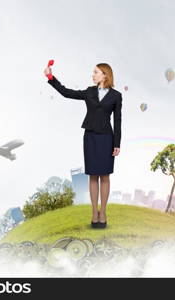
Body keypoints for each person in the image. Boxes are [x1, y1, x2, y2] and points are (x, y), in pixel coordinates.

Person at [44, 63, 122, 229]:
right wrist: (51, 78)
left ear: (105, 75)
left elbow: (118, 121)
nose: (92, 75)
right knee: (93, 175)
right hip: (90, 137)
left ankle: (103, 212)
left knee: (105, 176)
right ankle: (94, 212)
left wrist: (117, 143)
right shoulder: (89, 92)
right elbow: (66, 93)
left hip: (107, 138)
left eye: (95, 72)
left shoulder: (116, 95)